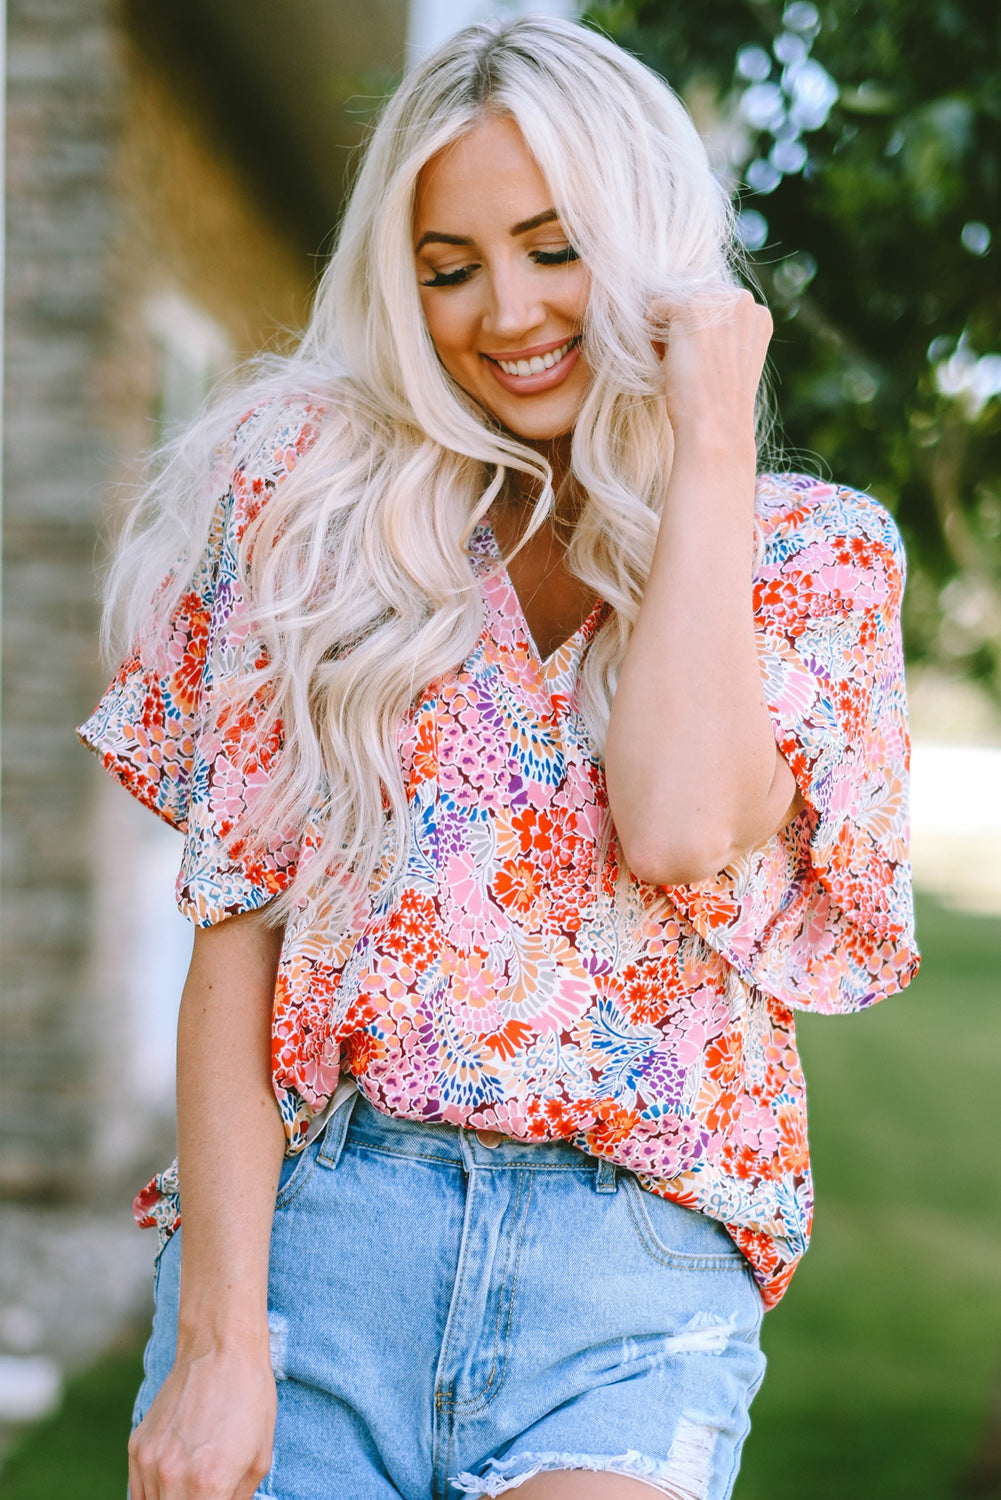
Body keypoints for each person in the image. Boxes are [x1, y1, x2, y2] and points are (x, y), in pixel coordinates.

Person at [79, 16, 919, 1500]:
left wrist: (706, 437)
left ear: (648, 246)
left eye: (553, 247)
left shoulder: (810, 559)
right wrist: (219, 1339)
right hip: (320, 1247)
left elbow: (675, 825)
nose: (506, 312)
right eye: (448, 265)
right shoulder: (312, 505)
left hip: (629, 1291)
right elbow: (236, 938)